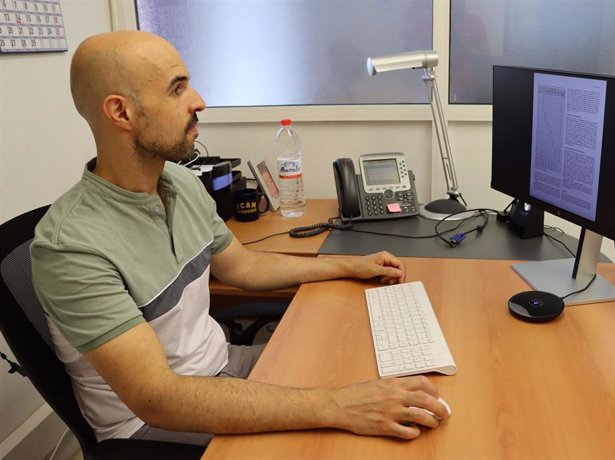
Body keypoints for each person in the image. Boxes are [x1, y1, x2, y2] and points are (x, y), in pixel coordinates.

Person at [30, 30, 449, 447]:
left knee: (366, 372)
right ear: (121, 113)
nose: (198, 101)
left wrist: (349, 265)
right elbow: (158, 398)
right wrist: (337, 406)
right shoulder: (71, 246)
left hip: (223, 365)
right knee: (349, 436)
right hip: (151, 427)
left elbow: (243, 265)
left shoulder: (177, 182)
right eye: (177, 90)